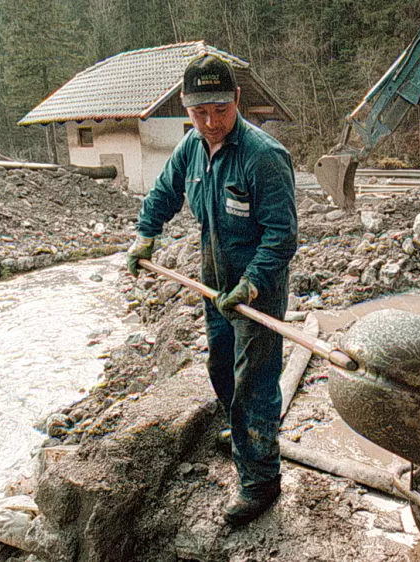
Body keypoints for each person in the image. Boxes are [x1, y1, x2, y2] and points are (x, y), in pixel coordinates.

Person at [127, 53, 298, 526]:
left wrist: (251, 285)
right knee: (221, 366)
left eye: (219, 110)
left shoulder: (263, 156)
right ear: (186, 108)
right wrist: (147, 233)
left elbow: (282, 236)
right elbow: (165, 190)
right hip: (213, 281)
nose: (210, 121)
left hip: (257, 286)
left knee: (255, 382)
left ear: (237, 100)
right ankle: (240, 431)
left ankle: (260, 480)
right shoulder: (193, 147)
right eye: (199, 112)